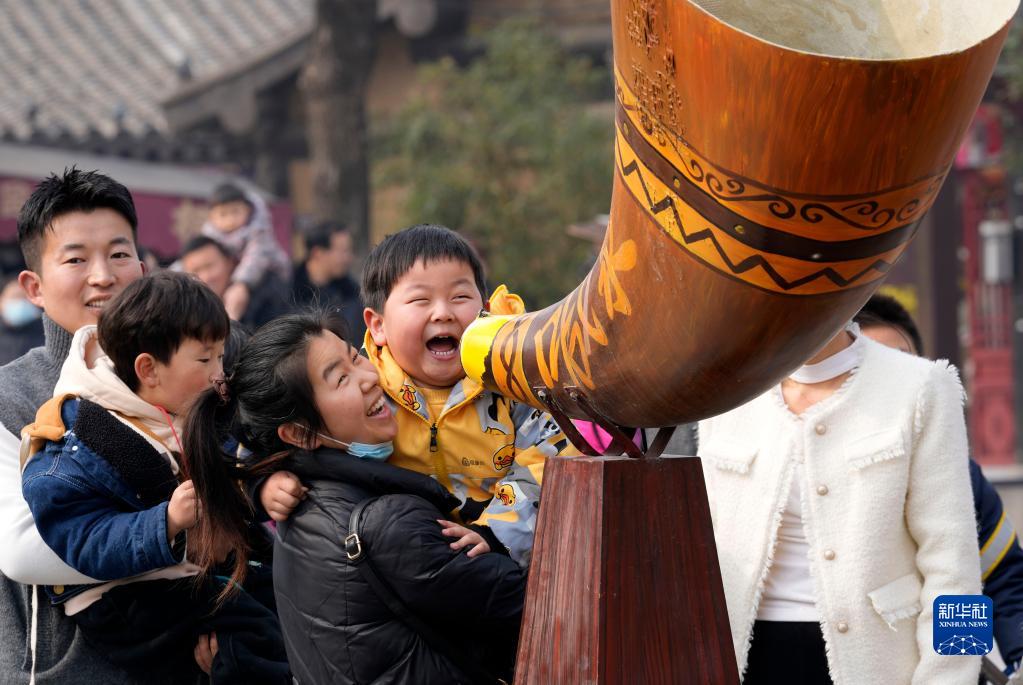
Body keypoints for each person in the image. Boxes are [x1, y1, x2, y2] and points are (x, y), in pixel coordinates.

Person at [185, 311, 526, 684]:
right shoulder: (386, 523)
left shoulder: (302, 503)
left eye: (355, 358)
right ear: (299, 435)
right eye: (341, 378)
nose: (369, 378)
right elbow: (531, 609)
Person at [20, 272, 290, 683]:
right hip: (124, 598)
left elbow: (234, 466)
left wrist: (262, 487)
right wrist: (164, 522)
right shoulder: (80, 435)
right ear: (148, 369)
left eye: (220, 356)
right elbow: (79, 536)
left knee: (278, 588)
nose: (220, 373)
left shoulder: (180, 406)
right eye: (206, 359)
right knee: (249, 629)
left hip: (180, 574)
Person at [698, 321, 981, 684]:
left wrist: (950, 678)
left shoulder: (921, 385)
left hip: (880, 662)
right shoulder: (725, 386)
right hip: (742, 656)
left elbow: (955, 566)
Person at [0, 167, 155, 684]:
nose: (103, 275)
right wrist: (179, 533)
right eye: (76, 259)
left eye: (118, 254)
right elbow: (24, 547)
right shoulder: (9, 398)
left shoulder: (198, 378)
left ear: (143, 265)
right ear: (34, 287)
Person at [856, 293, 1023, 675]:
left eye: (906, 364)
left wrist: (957, 671)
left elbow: (990, 579)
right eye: (876, 368)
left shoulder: (958, 475)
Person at [200, 182, 290, 322]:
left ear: (248, 209)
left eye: (235, 212)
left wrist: (241, 282)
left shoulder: (258, 229)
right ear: (212, 217)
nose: (230, 220)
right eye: (223, 214)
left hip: (269, 275)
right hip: (235, 279)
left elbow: (256, 257)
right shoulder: (211, 237)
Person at [180, 235, 291, 330]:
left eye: (209, 266)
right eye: (196, 271)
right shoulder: (188, 310)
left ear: (230, 262)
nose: (205, 277)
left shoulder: (266, 291)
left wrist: (233, 318)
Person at [292, 221, 365, 342]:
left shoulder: (354, 296)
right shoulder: (283, 293)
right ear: (318, 253)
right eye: (343, 251)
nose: (349, 258)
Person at [0, 273, 44, 365]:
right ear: (1, 301)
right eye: (14, 296)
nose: (20, 302)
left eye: (24, 297)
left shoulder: (47, 336)